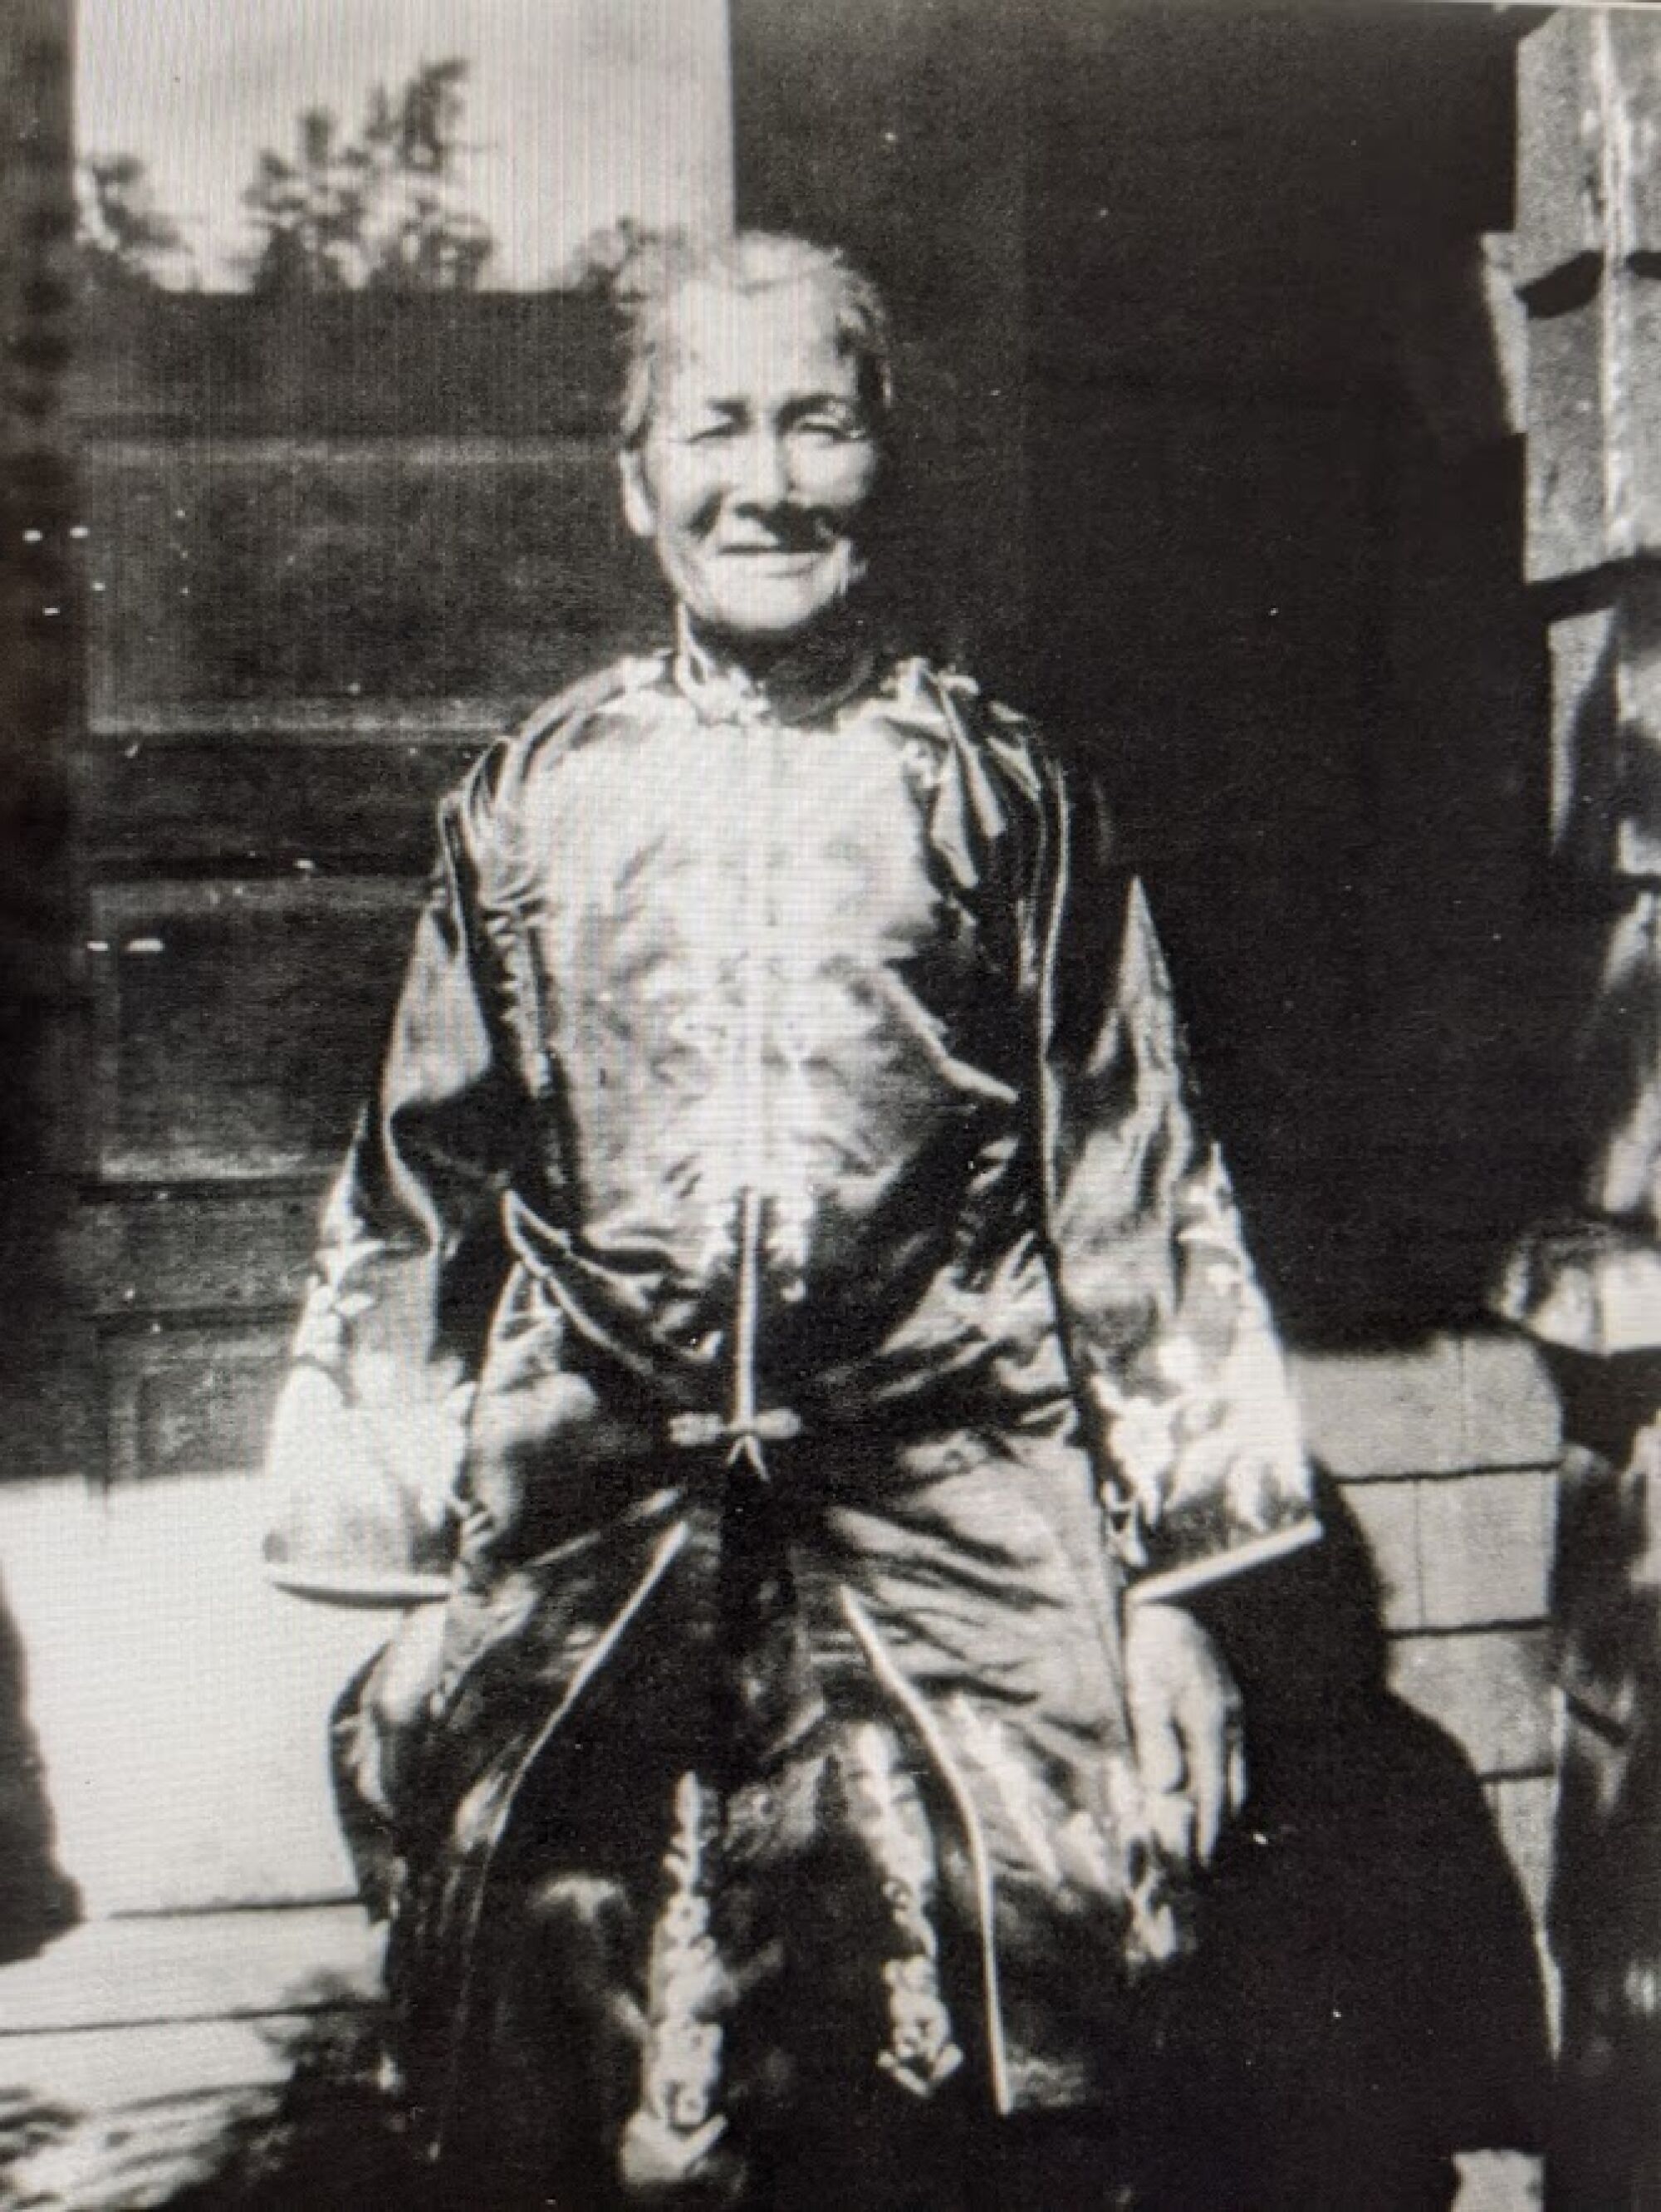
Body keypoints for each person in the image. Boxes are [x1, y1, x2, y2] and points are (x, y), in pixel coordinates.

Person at [263, 230, 1318, 2210]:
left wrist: (1171, 1594)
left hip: (957, 1501)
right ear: (634, 475)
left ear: (879, 461)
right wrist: (407, 1593)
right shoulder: (528, 803)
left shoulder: (1006, 796)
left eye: (817, 424)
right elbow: (422, 1185)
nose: (768, 480)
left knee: (1014, 2022)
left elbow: (1131, 1165)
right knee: (560, 2029)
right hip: (597, 1501)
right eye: (713, 427)